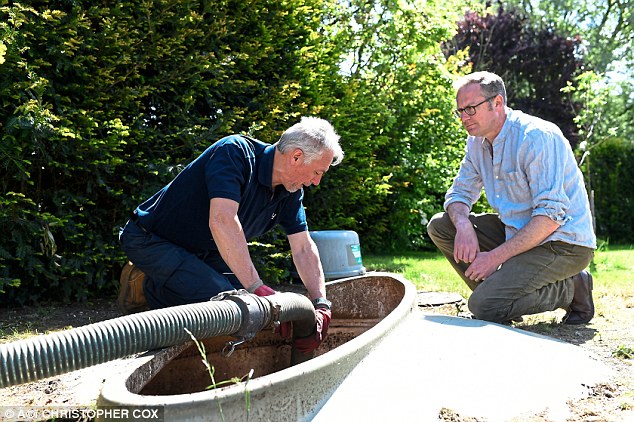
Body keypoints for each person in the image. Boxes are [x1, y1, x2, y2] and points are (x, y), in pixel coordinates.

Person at [119, 116, 344, 352]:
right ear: (296, 156)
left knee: (253, 309)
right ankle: (146, 285)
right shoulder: (235, 153)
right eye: (318, 172)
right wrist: (256, 286)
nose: (317, 181)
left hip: (204, 251)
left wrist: (321, 304)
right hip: (151, 240)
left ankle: (167, 285)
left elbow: (303, 247)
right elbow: (222, 221)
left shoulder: (289, 191)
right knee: (232, 306)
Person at [426, 71, 596, 325]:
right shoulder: (476, 143)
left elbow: (551, 216)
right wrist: (462, 225)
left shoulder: (536, 137)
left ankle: (572, 287)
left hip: (563, 242)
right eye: (460, 111)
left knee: (483, 306)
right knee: (441, 225)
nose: (464, 118)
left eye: (471, 109)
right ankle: (501, 300)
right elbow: (459, 193)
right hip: (516, 233)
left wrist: (494, 257)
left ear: (497, 103)